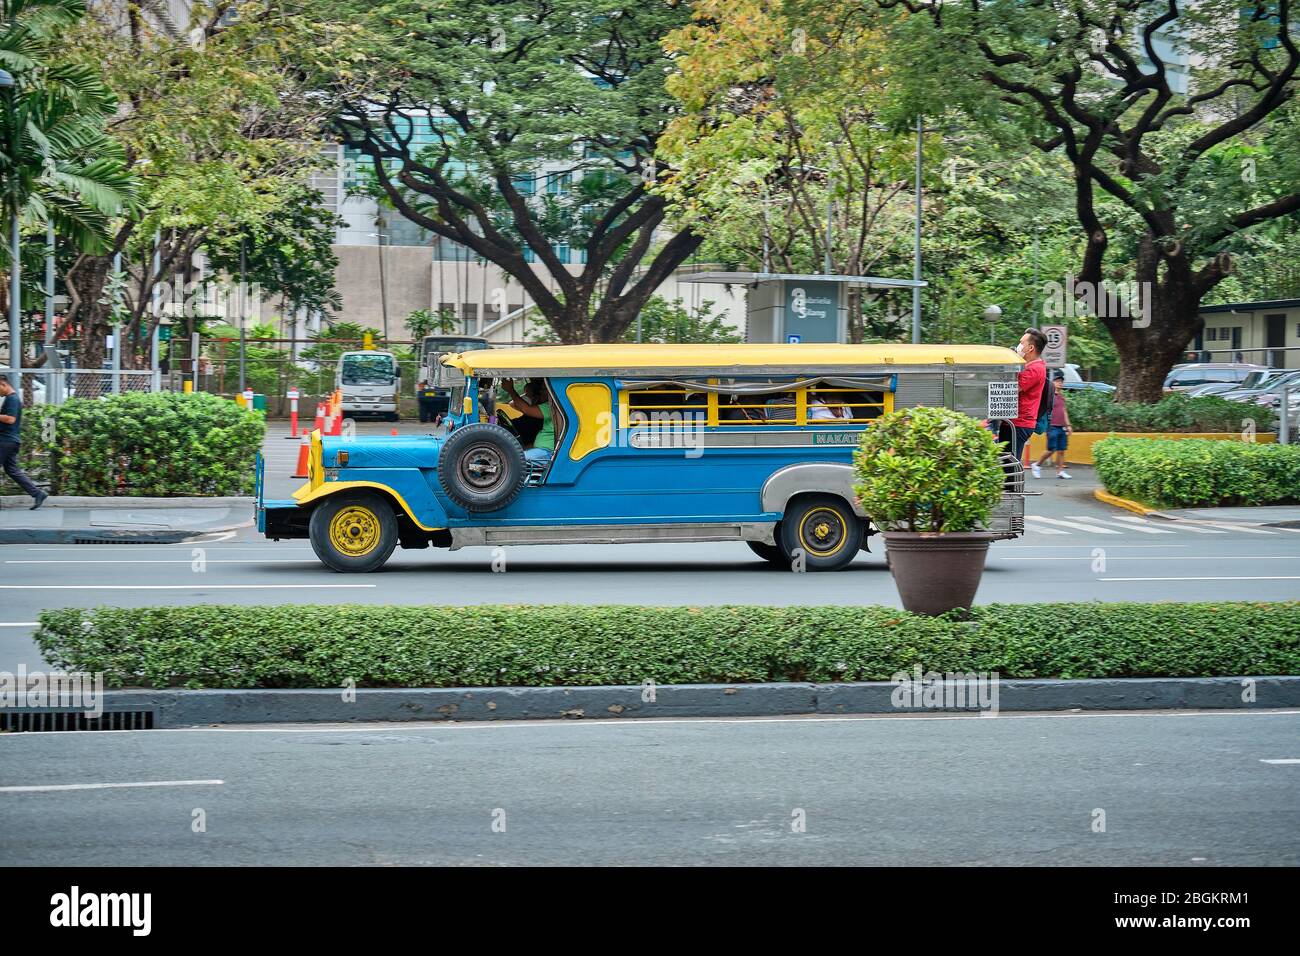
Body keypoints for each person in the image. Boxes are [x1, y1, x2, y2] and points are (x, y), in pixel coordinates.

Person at [998, 328, 1047, 464]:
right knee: (1006, 463)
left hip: (1019, 423)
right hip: (1013, 422)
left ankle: (1011, 486)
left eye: (1021, 343)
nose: (1018, 346)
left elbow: (1011, 389)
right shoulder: (1027, 366)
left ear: (1030, 348)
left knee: (1009, 465)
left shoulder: (1035, 369)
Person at [0, 377, 47, 509]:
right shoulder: (11, 399)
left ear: (3, 384)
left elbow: (10, 419)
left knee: (12, 470)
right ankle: (38, 494)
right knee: (12, 470)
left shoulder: (12, 399)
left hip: (6, 441)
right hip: (10, 440)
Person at [1032, 371, 1073, 479]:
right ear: (1053, 382)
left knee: (1061, 449)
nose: (1060, 383)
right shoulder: (1048, 395)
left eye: (1061, 382)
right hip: (1051, 426)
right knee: (1051, 449)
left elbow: (1064, 411)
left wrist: (1068, 425)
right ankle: (1037, 465)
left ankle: (1060, 471)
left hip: (1061, 426)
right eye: (1057, 381)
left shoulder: (1061, 397)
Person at [502, 378, 554, 462]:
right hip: (539, 449)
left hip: (546, 453)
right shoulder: (546, 407)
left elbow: (526, 409)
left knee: (510, 460)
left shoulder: (551, 408)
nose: (541, 392)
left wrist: (511, 390)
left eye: (544, 389)